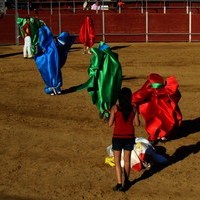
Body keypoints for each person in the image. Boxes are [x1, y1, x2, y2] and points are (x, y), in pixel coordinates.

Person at [132, 73, 182, 145]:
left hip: (159, 108)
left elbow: (139, 95)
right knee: (158, 121)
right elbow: (140, 94)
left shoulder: (156, 89)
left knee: (161, 121)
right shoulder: (152, 88)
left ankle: (159, 136)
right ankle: (156, 136)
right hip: (155, 108)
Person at [108, 87, 140, 192]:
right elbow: (137, 124)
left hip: (117, 137)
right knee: (127, 160)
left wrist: (109, 114)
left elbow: (110, 124)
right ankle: (126, 182)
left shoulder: (115, 108)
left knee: (117, 161)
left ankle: (119, 183)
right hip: (129, 137)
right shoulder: (134, 108)